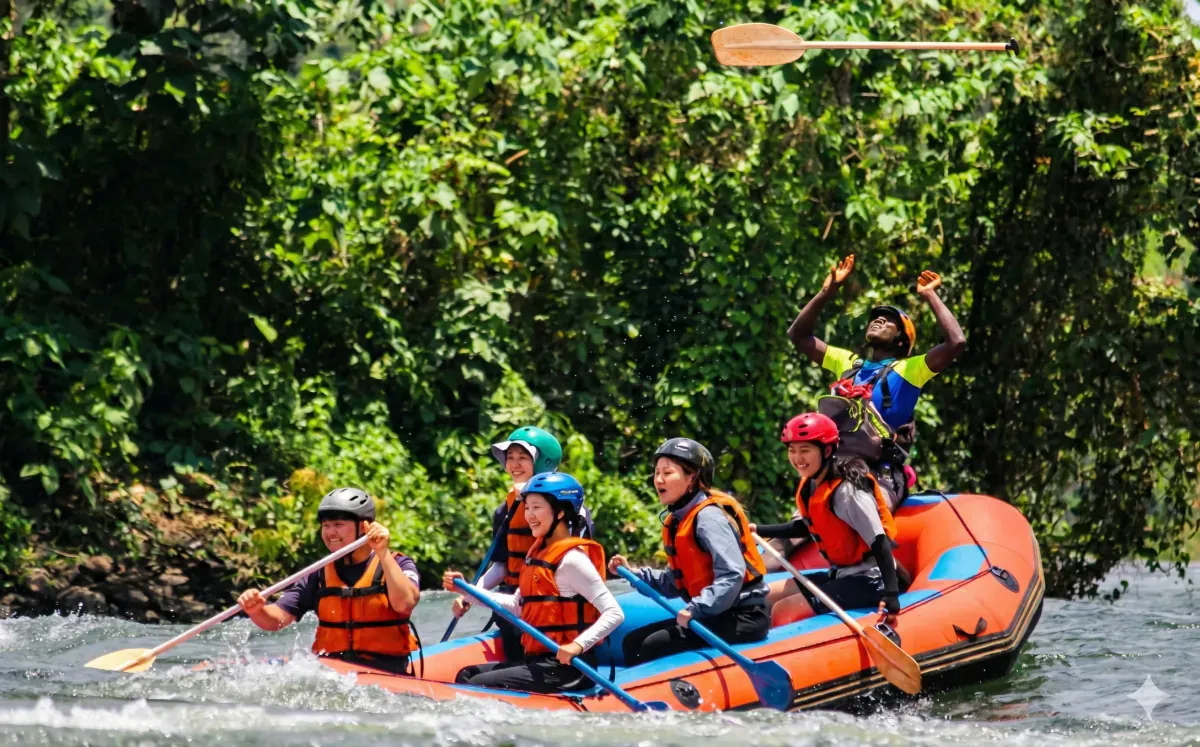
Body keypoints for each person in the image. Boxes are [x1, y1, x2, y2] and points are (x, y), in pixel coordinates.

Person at [787, 255, 966, 504]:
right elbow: (798, 335)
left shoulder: (909, 369)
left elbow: (956, 342)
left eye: (890, 321)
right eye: (876, 318)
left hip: (879, 477)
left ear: (902, 340)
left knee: (859, 513)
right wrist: (827, 292)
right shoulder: (848, 363)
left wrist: (929, 295)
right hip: (834, 470)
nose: (879, 320)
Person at [442, 472, 624, 694]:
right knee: (468, 674)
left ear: (560, 511)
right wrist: (469, 592)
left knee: (475, 685)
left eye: (536, 507)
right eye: (526, 507)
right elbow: (518, 606)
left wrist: (578, 645)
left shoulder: (572, 560)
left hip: (569, 668)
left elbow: (614, 613)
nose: (529, 515)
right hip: (539, 662)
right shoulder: (537, 554)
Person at [610, 438, 769, 666]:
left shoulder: (708, 518)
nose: (658, 480)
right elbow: (675, 582)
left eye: (668, 473)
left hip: (743, 617)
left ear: (692, 477)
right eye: (656, 473)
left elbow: (733, 574)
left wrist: (698, 607)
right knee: (634, 643)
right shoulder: (679, 519)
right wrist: (634, 574)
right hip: (714, 614)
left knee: (647, 647)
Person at [446, 426, 594, 659]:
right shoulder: (504, 510)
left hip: (551, 607)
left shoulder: (569, 508)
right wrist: (470, 595)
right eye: (510, 458)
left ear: (542, 462)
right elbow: (501, 566)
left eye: (523, 458)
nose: (514, 464)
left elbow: (576, 561)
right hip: (511, 606)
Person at [236, 487, 421, 674]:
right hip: (333, 675)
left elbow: (405, 604)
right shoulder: (318, 573)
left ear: (364, 527)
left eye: (338, 525)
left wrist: (382, 553)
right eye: (326, 525)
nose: (330, 532)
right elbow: (277, 620)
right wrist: (258, 610)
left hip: (386, 671)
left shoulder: (397, 563)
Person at [752, 413, 904, 627]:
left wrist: (891, 595)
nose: (797, 458)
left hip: (870, 580)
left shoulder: (848, 491)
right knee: (765, 596)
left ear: (827, 450)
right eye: (792, 450)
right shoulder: (812, 484)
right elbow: (807, 527)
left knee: (783, 610)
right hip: (841, 574)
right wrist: (758, 529)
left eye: (805, 450)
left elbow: (880, 543)